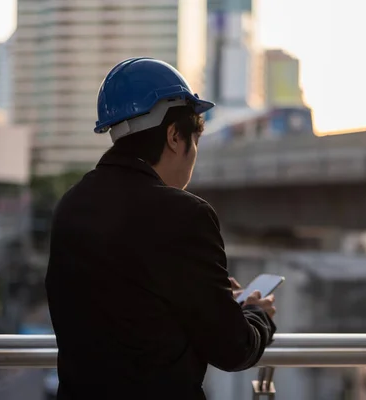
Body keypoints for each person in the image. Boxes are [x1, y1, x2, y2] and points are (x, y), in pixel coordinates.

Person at [45, 57, 277, 400]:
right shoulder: (185, 214)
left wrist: (205, 290)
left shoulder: (71, 205)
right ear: (173, 136)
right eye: (193, 140)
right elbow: (232, 349)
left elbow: (129, 308)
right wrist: (257, 316)